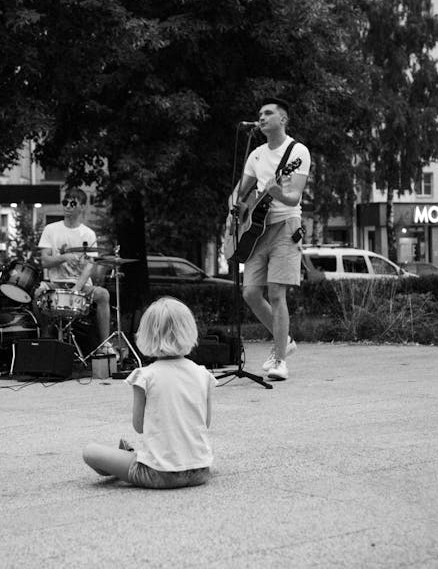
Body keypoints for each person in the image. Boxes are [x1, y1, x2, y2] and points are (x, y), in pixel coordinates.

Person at [82, 297, 215, 489]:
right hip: (201, 470)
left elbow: (139, 426)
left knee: (90, 452)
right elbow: (206, 422)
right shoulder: (203, 374)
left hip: (158, 474)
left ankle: (128, 459)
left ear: (147, 335)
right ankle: (131, 456)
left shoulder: (145, 376)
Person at [233, 96, 311, 381]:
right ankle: (285, 341)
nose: (262, 118)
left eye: (268, 113)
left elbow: (292, 198)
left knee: (277, 293)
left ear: (283, 119)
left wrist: (277, 192)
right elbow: (240, 191)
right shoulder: (255, 155)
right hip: (256, 231)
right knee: (250, 293)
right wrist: (233, 210)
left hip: (285, 227)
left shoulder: (297, 151)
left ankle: (280, 360)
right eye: (259, 114)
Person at [36, 187, 114, 354]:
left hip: (80, 286)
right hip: (56, 283)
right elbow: (44, 261)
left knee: (103, 295)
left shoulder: (88, 234)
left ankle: (104, 345)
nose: (68, 206)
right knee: (38, 293)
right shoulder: (51, 229)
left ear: (82, 207)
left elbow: (89, 266)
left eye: (73, 203)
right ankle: (44, 337)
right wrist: (64, 257)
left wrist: (77, 289)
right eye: (65, 202)